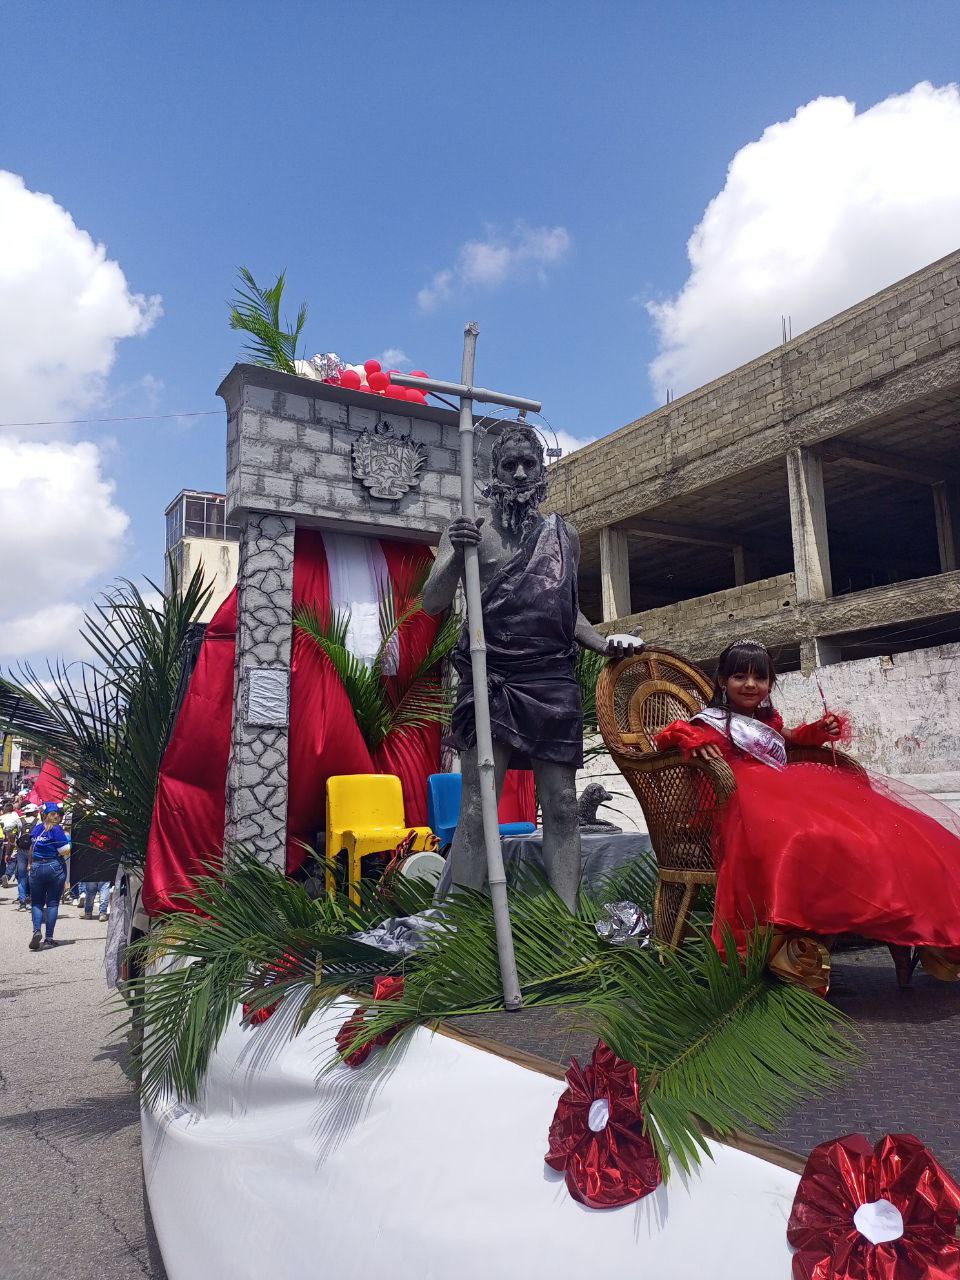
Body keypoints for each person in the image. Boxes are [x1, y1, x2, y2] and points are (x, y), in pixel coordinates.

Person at [422, 420, 638, 910]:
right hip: (491, 676)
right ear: (493, 473)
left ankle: (568, 920)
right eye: (509, 465)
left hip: (551, 677)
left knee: (561, 804)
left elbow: (568, 610)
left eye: (529, 464)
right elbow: (432, 603)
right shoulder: (469, 532)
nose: (520, 474)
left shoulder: (565, 535)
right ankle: (465, 922)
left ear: (542, 472)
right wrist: (455, 555)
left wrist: (604, 644)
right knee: (480, 805)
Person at [654, 638, 960, 984]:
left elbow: (791, 738)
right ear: (723, 681)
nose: (751, 685)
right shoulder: (709, 720)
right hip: (737, 803)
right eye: (740, 676)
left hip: (782, 793)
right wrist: (688, 737)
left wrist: (818, 731)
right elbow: (664, 738)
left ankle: (918, 928)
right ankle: (788, 948)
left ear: (770, 683)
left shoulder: (767, 723)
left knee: (880, 832)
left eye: (761, 678)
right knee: (801, 836)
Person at [26, 806, 71, 950]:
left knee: (37, 903)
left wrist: (30, 864)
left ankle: (37, 930)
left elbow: (31, 847)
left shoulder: (37, 828)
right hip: (53, 866)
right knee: (52, 904)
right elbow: (64, 850)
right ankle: (49, 938)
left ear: (44, 815)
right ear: (57, 815)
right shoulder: (57, 830)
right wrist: (70, 844)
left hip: (37, 866)